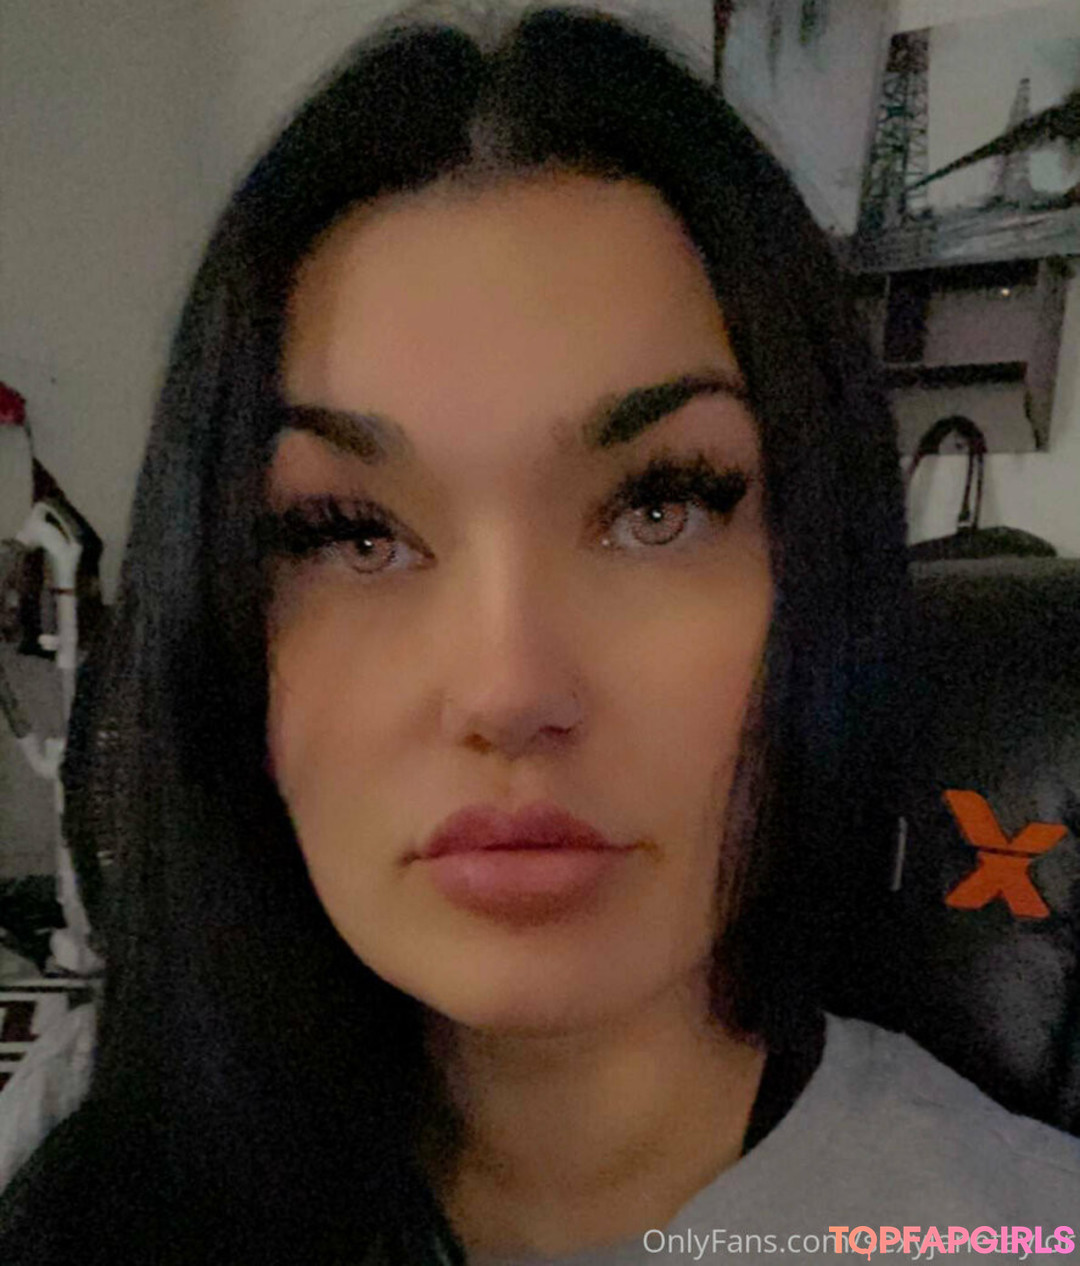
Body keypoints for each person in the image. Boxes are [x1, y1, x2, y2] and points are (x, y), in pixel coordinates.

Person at [1, 3, 1077, 1263]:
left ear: (818, 576)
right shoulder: (75, 1144)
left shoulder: (1013, 1231)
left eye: (660, 508)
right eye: (352, 533)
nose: (509, 689)